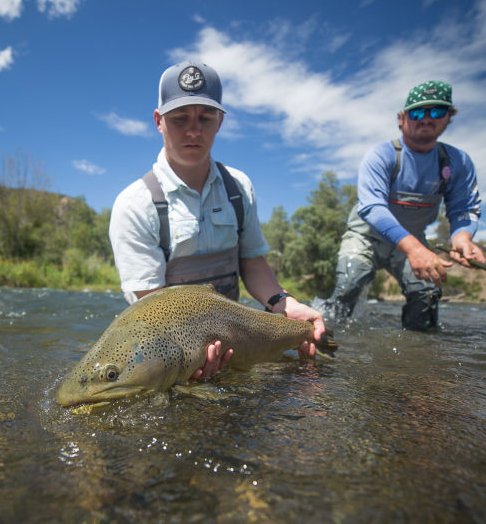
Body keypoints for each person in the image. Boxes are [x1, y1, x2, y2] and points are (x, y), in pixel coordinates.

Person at [109, 61, 325, 380]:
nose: (193, 130)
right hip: (173, 352)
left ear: (220, 122)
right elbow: (154, 314)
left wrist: (282, 303)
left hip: (233, 342)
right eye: (180, 118)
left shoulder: (239, 188)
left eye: (205, 118)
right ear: (158, 121)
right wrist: (188, 359)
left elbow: (252, 264)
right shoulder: (134, 205)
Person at [318, 80, 485, 330]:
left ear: (449, 117)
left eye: (437, 111)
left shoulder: (457, 162)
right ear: (402, 119)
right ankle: (325, 336)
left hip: (413, 241)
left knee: (427, 293)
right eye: (418, 112)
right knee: (349, 285)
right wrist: (415, 250)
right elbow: (372, 208)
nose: (427, 119)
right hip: (365, 237)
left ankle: (419, 355)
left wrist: (462, 238)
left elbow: (463, 208)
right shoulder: (381, 155)